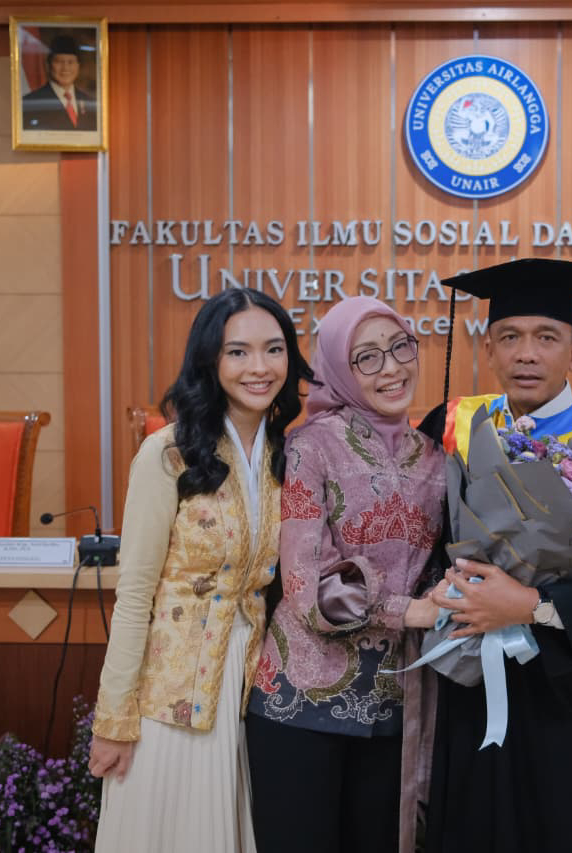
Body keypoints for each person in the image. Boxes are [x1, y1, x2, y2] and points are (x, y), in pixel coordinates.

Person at [418, 258, 572, 853]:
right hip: (466, 672)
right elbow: (422, 534)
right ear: (488, 349)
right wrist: (444, 591)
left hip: (561, 687)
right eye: (510, 337)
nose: (526, 354)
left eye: (546, 338)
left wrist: (532, 605)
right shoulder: (452, 426)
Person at [88, 287, 313, 852]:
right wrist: (114, 719)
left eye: (274, 349)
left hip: (248, 692)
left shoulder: (289, 455)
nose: (259, 367)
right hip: (169, 695)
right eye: (238, 352)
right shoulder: (168, 454)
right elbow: (134, 595)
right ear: (210, 360)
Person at [245, 296, 447, 853]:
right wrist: (409, 610)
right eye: (367, 357)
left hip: (394, 705)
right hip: (301, 701)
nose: (391, 368)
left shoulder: (436, 457)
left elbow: (438, 567)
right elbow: (304, 585)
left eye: (401, 347)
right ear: (338, 368)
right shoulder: (312, 446)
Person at [22, 34, 98, 131]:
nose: (65, 68)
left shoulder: (90, 103)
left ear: (78, 66)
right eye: (59, 62)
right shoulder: (31, 103)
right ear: (49, 65)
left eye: (70, 62)